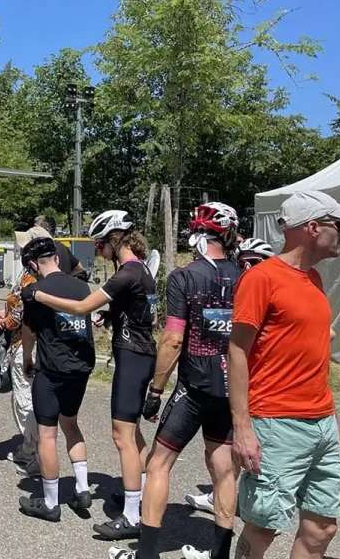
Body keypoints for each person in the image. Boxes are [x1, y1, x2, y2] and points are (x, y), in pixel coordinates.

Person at [228, 190, 340, 559]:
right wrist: (242, 428)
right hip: (276, 422)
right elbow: (237, 350)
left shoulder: (314, 280)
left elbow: (313, 353)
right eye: (339, 225)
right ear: (314, 228)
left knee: (322, 527)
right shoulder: (262, 278)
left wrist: (330, 419)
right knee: (263, 528)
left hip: (321, 423)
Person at [115, 202, 243, 559]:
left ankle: (147, 554)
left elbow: (173, 339)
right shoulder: (246, 276)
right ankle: (219, 554)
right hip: (230, 387)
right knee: (223, 469)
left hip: (193, 387)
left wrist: (155, 391)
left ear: (196, 235)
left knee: (158, 465)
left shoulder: (185, 276)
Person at [26, 209, 156, 539]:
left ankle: (131, 514)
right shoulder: (140, 271)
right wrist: (112, 317)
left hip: (132, 356)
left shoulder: (127, 272)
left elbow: (83, 308)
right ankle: (140, 496)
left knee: (121, 436)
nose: (99, 252)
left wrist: (37, 293)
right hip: (136, 354)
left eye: (100, 246)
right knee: (132, 434)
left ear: (115, 240)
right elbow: (143, 314)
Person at [183, 235, 276, 515]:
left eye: (253, 263)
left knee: (243, 449)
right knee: (225, 448)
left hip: (260, 384)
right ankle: (224, 497)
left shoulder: (269, 295)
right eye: (243, 263)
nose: (246, 269)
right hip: (235, 378)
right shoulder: (245, 291)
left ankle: (243, 507)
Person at [17, 237, 97, 522]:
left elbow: (29, 330)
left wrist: (28, 357)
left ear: (33, 264)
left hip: (51, 370)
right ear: (58, 258)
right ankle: (83, 487)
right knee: (71, 425)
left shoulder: (36, 290)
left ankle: (51, 502)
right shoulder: (81, 285)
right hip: (80, 368)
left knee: (47, 434)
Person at [0, 265, 41, 477]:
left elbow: (20, 316)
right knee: (27, 397)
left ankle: (33, 451)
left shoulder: (32, 280)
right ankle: (30, 447)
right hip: (31, 343)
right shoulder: (34, 274)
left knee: (24, 399)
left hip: (25, 344)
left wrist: (4, 321)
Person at [16, 226, 84, 277]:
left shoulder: (40, 257)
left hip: (45, 291)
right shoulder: (62, 246)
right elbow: (79, 268)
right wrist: (66, 277)